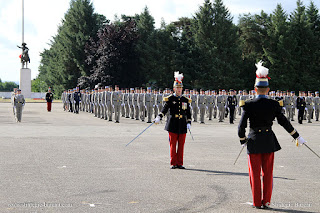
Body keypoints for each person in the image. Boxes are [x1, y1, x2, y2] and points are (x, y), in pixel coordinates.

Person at [238, 61, 306, 209]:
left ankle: (257, 203)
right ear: (268, 89)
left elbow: (241, 126)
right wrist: (296, 136)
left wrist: (243, 140)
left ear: (255, 89)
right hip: (269, 141)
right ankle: (267, 202)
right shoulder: (275, 104)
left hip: (254, 141)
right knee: (268, 174)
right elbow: (284, 122)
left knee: (254, 175)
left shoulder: (248, 104)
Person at [154, 71, 192, 169]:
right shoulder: (170, 99)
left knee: (181, 145)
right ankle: (173, 162)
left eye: (180, 88)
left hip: (182, 124)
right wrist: (159, 116)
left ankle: (180, 163)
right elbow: (165, 109)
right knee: (173, 144)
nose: (179, 90)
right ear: (174, 89)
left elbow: (188, 112)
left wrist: (189, 122)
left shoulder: (185, 99)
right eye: (177, 88)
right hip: (172, 123)